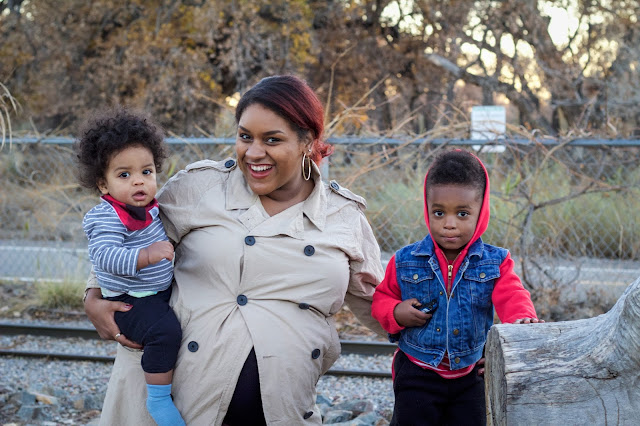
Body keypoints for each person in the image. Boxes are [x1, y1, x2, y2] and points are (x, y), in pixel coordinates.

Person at [83, 75, 385, 425]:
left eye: (272, 139)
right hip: (181, 406)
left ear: (307, 141)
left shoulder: (343, 215)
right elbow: (128, 233)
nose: (254, 153)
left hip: (284, 412)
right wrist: (93, 295)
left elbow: (381, 303)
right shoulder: (200, 187)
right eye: (245, 137)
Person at [371, 149, 543, 426]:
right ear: (427, 209)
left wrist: (522, 321)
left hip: (471, 374)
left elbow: (513, 295)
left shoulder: (495, 262)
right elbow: (382, 299)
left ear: (481, 212)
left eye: (462, 214)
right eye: (439, 213)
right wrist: (396, 312)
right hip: (417, 371)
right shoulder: (405, 260)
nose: (449, 224)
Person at [75, 107, 185, 426]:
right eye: (124, 175)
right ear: (103, 184)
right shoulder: (108, 216)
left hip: (152, 293)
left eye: (146, 172)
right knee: (165, 332)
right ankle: (158, 399)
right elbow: (105, 257)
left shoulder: (148, 208)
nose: (138, 180)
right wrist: (146, 255)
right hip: (130, 300)